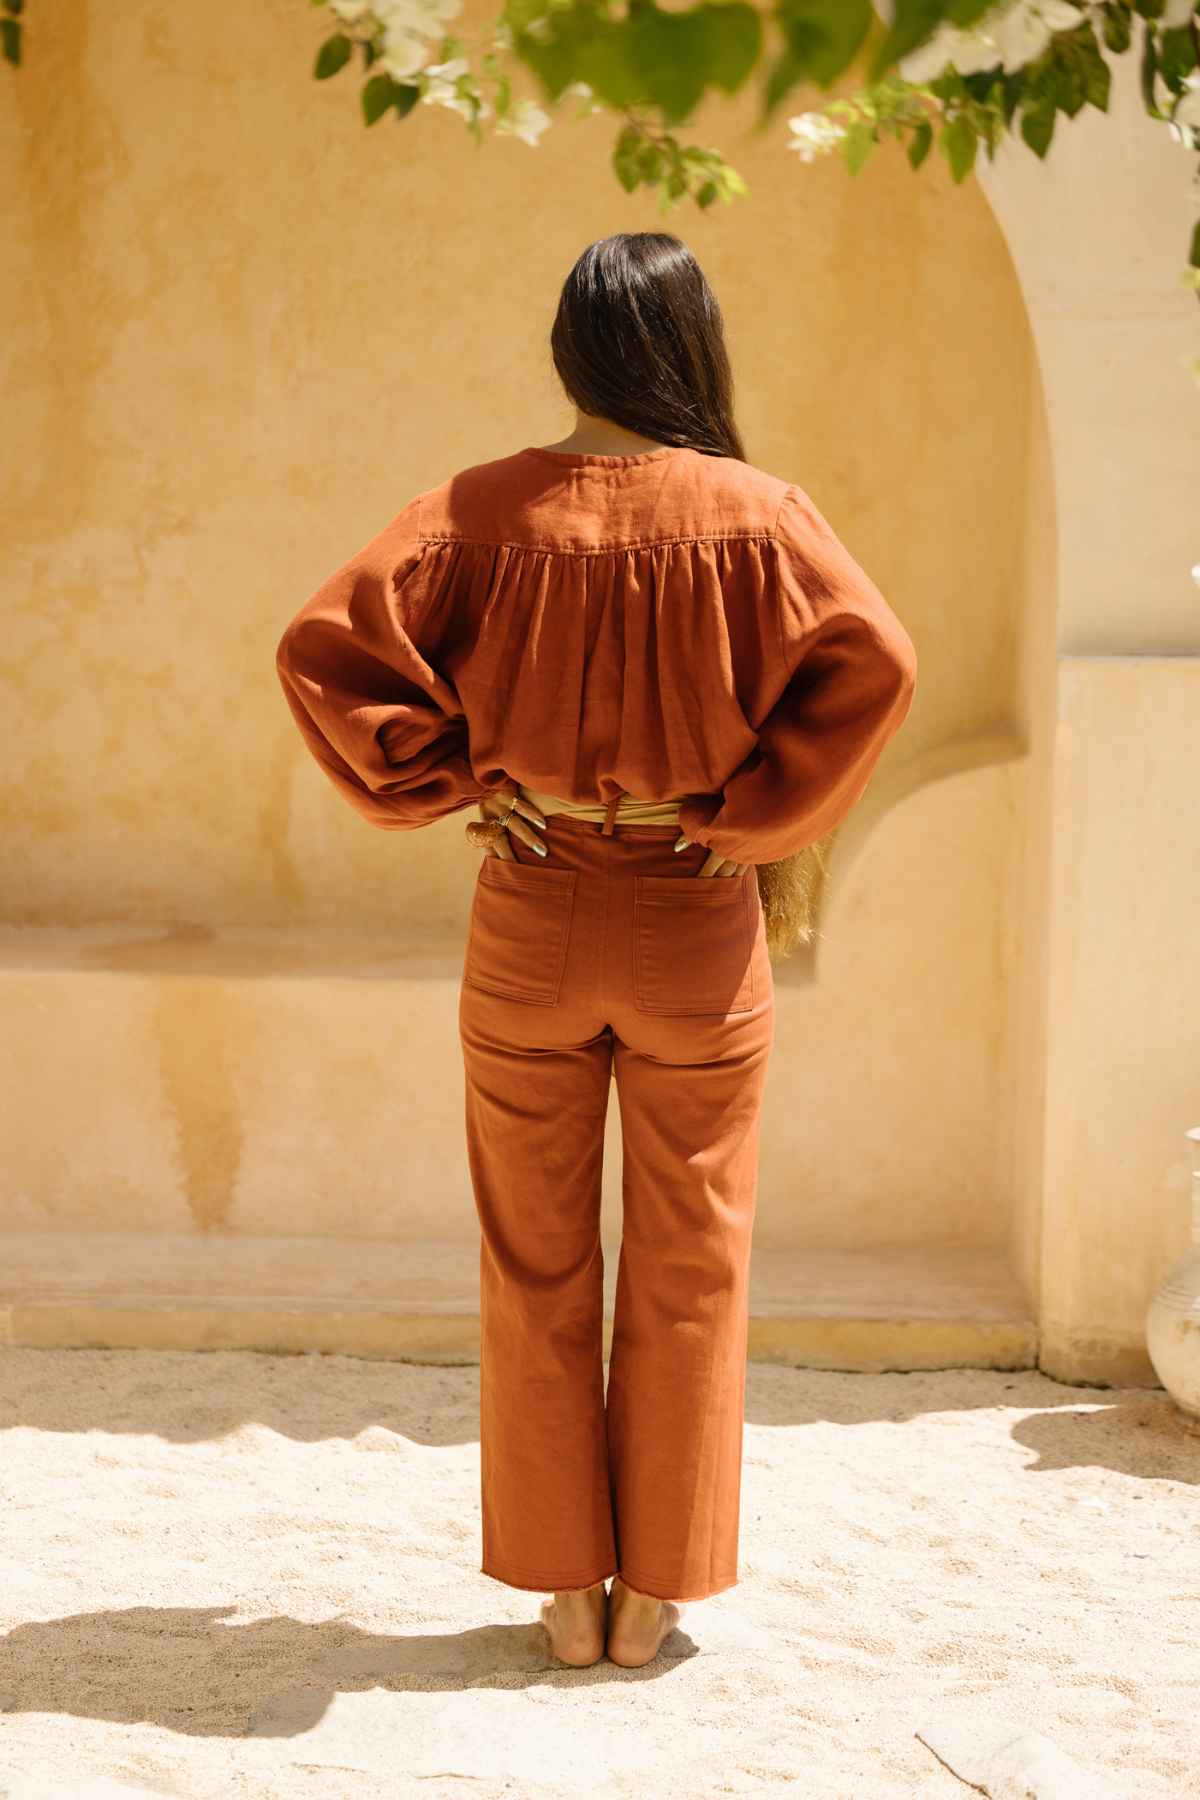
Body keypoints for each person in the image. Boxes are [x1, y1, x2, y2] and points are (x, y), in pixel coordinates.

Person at [273, 231, 918, 1671]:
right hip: (695, 913)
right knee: (695, 1258)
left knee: (533, 1262)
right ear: (692, 346)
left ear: (568, 349)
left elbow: (322, 648)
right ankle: (653, 1598)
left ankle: (564, 1594)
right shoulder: (761, 515)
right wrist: (757, 817)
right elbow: (878, 662)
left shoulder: (471, 512)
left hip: (533, 903)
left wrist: (454, 780)